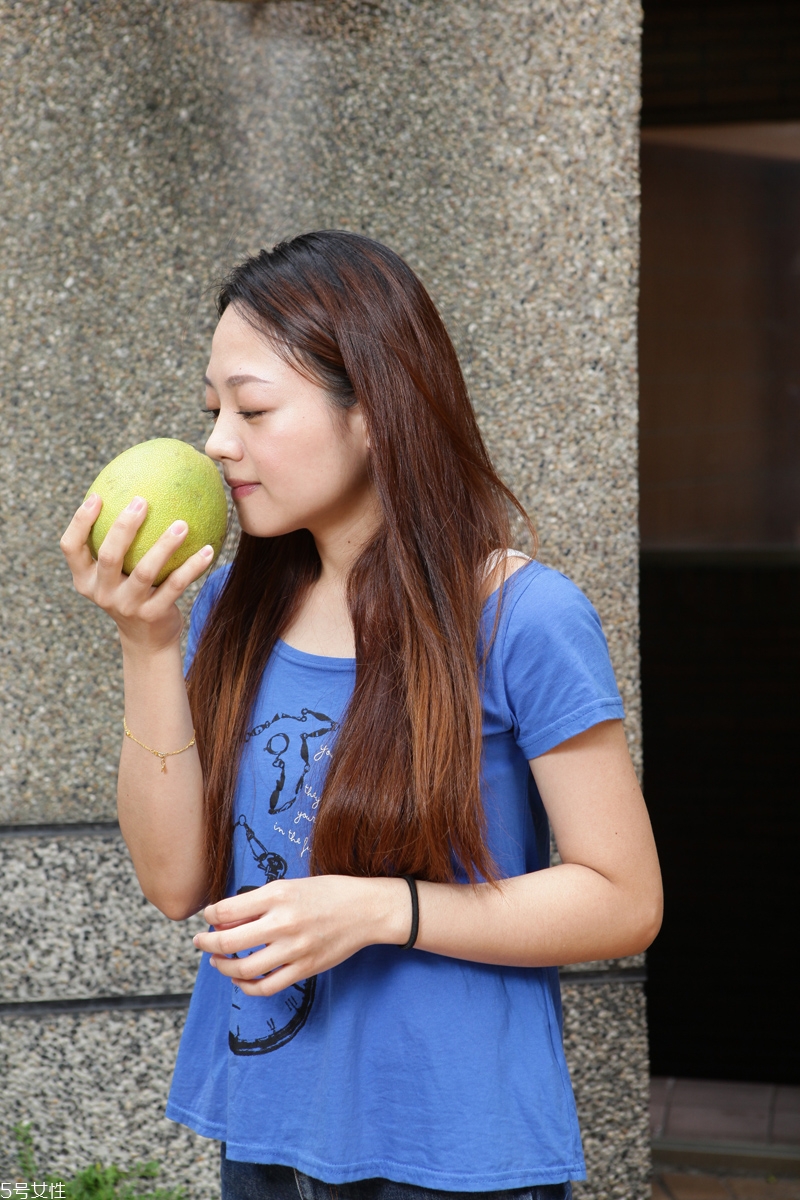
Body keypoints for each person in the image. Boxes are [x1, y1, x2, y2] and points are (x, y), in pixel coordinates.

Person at [60, 230, 663, 1200]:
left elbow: (623, 898)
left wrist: (383, 909)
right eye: (213, 411)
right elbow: (175, 883)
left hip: (455, 1148)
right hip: (266, 1123)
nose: (217, 444)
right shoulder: (224, 610)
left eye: (253, 408)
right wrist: (148, 644)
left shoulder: (522, 618)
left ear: (375, 412)